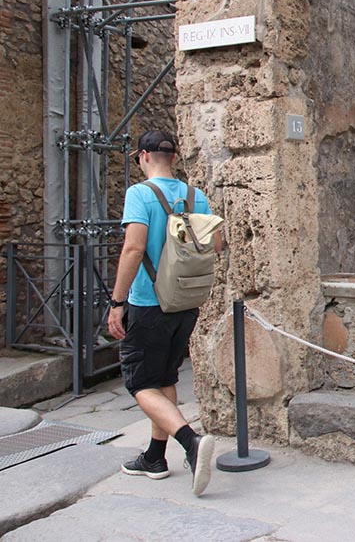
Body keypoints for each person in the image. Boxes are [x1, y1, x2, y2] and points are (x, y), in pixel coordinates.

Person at [107, 130, 222, 496]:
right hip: (185, 302)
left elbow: (133, 249)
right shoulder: (196, 196)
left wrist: (117, 302)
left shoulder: (139, 194)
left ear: (143, 157)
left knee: (140, 383)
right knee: (164, 377)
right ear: (173, 158)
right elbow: (215, 244)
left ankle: (190, 441)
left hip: (148, 302)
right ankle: (155, 457)